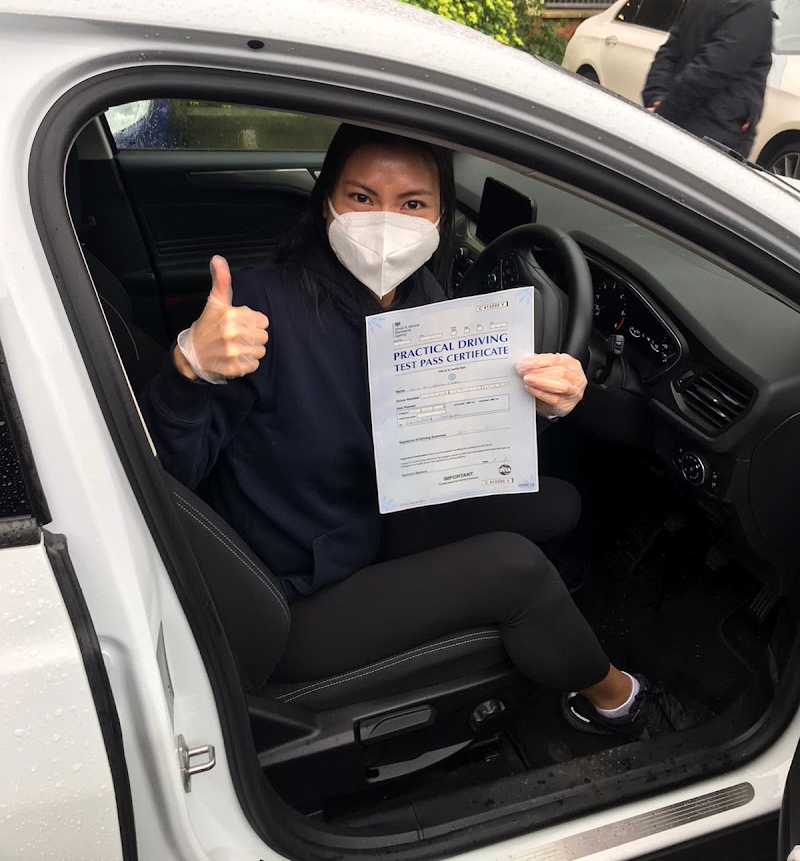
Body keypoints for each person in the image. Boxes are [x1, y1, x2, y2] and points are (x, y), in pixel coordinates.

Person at [140, 124, 705, 739]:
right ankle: (617, 702)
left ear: (440, 217)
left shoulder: (423, 299)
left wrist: (544, 400)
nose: (385, 222)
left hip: (368, 514)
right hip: (290, 592)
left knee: (557, 503)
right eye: (361, 197)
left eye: (412, 203)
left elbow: (453, 428)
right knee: (517, 570)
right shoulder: (257, 313)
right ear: (327, 203)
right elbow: (165, 477)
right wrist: (189, 370)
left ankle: (551, 626)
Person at [643, 0, 800, 156]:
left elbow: (670, 49)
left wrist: (656, 100)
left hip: (684, 136)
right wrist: (663, 116)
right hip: (710, 146)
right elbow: (711, 71)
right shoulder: (755, 6)